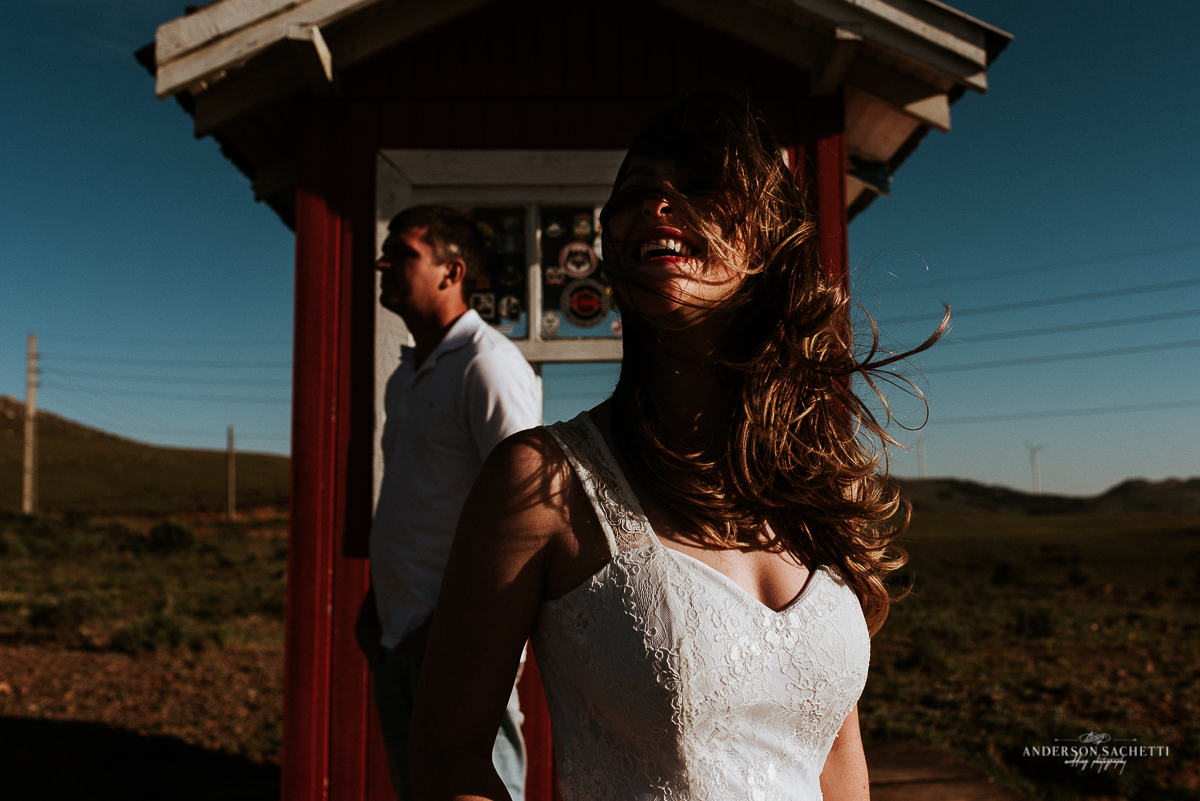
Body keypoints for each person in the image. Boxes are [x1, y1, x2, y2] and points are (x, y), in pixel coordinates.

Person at [408, 88, 944, 801]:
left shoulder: (825, 485)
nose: (659, 203)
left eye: (701, 185)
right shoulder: (545, 482)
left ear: (767, 239)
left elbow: (836, 748)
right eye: (636, 191)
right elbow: (448, 753)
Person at [357, 205, 541, 801]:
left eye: (402, 253)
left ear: (451, 271)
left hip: (460, 651)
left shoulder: (488, 366)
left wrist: (449, 629)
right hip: (398, 639)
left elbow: (527, 511)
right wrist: (380, 604)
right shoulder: (406, 373)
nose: (382, 264)